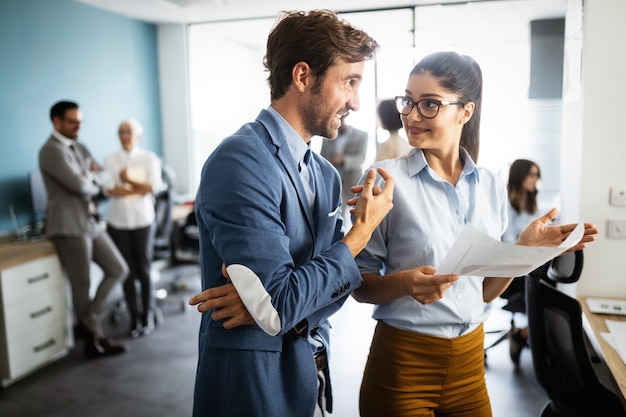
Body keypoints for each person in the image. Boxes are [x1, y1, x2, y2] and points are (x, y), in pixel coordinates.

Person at [350, 52, 598, 417]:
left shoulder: (490, 187)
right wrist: (404, 284)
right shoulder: (385, 180)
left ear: (465, 112)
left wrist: (522, 251)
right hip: (404, 367)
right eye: (408, 101)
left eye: (430, 104)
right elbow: (358, 284)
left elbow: (483, 292)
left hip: (469, 369)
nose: (412, 115)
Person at [186, 9, 394, 417]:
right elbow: (283, 301)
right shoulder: (240, 162)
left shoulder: (324, 174)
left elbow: (328, 292)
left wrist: (279, 305)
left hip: (308, 369)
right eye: (348, 82)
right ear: (303, 77)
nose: (355, 101)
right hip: (252, 379)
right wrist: (359, 234)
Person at [39, 100, 129, 358]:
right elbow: (80, 187)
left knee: (118, 269)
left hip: (91, 221)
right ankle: (93, 338)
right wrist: (87, 181)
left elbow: (102, 178)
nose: (78, 125)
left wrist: (88, 179)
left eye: (80, 121)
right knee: (82, 284)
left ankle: (89, 324)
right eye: (72, 121)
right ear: (57, 121)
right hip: (68, 225)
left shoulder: (80, 146)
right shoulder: (50, 151)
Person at [103, 118, 164, 338]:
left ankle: (147, 314)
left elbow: (154, 187)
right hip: (117, 222)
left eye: (129, 131)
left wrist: (127, 179)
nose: (124, 135)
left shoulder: (148, 158)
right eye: (121, 131)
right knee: (126, 271)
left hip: (143, 220)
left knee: (144, 269)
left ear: (137, 135)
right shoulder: (111, 159)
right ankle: (134, 316)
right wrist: (139, 189)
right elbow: (110, 190)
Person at [501, 158, 542, 365]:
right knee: (543, 291)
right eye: (531, 174)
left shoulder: (533, 205)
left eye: (537, 175)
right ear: (520, 176)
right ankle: (524, 335)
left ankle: (525, 334)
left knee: (549, 285)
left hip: (530, 266)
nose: (536, 179)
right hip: (509, 272)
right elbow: (508, 242)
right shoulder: (505, 203)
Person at [320, 113, 368, 224]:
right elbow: (322, 159)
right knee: (337, 215)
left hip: (353, 181)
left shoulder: (361, 135)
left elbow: (360, 159)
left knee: (356, 216)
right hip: (333, 182)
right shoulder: (327, 137)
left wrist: (343, 160)